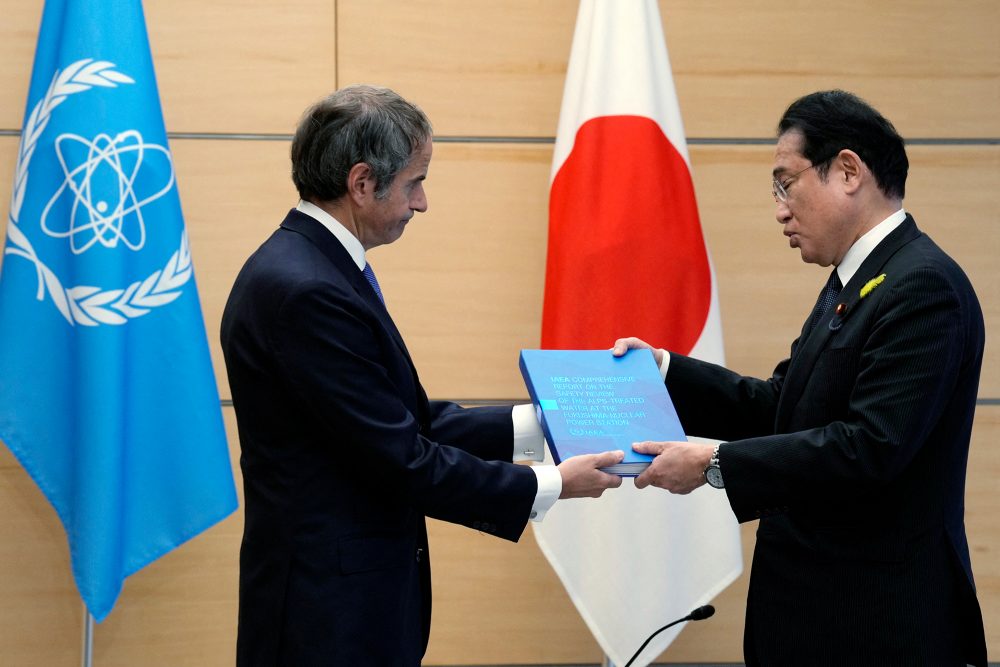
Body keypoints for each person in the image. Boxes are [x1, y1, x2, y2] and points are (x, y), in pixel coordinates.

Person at [221, 84, 624, 666]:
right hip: (326, 618)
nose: (422, 202)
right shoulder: (306, 290)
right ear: (362, 184)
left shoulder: (313, 268)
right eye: (415, 182)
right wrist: (551, 483)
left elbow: (397, 419)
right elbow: (399, 456)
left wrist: (545, 422)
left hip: (346, 603)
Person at [613, 90, 986, 666]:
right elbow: (782, 406)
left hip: (875, 625)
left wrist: (713, 464)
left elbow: (868, 448)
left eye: (786, 183)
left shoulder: (922, 287)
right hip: (811, 618)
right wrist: (664, 370)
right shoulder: (855, 281)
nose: (780, 209)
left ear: (847, 171)